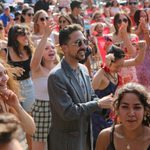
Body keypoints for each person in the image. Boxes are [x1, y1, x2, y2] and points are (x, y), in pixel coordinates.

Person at [47, 24, 114, 150]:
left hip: (85, 139)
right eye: (78, 43)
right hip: (66, 143)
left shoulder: (83, 69)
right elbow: (68, 112)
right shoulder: (56, 76)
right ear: (64, 48)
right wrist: (98, 104)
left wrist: (107, 106)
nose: (84, 46)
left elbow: (91, 96)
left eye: (84, 41)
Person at [92, 43, 146, 149]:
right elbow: (92, 86)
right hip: (97, 116)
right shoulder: (102, 75)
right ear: (110, 62)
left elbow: (136, 61)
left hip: (109, 115)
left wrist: (143, 49)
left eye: (122, 65)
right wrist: (104, 67)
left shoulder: (117, 65)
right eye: (118, 66)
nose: (120, 68)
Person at [96, 82, 150, 150]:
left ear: (145, 111)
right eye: (125, 107)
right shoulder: (105, 137)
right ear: (117, 110)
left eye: (137, 107)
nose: (131, 113)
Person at [31, 22, 57, 150]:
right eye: (46, 48)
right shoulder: (37, 69)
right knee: (39, 146)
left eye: (52, 47)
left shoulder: (59, 68)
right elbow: (35, 60)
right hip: (42, 109)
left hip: (58, 108)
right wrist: (45, 36)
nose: (51, 50)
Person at [0, 59, 36, 150]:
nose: (6, 78)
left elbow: (31, 130)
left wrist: (16, 106)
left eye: (5, 72)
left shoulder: (7, 98)